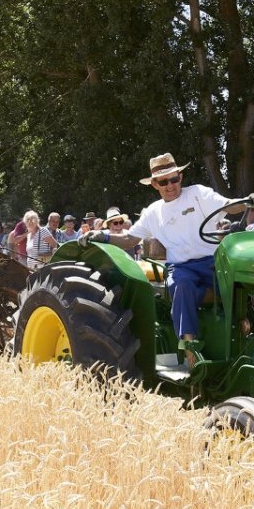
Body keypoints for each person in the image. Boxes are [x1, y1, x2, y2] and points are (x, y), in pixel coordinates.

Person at [83, 152, 230, 367]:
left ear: (180, 176)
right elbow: (130, 238)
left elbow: (227, 205)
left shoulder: (199, 194)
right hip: (182, 267)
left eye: (174, 178)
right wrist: (104, 236)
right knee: (181, 285)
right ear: (155, 184)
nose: (170, 185)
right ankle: (190, 353)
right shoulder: (154, 212)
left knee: (241, 284)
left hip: (213, 262)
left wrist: (247, 202)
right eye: (163, 181)